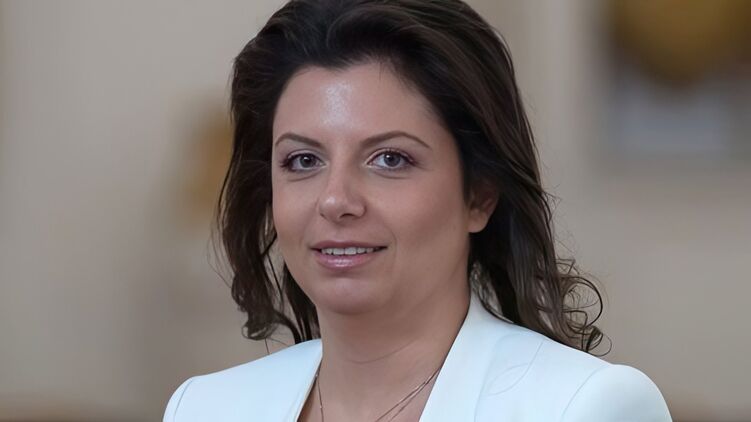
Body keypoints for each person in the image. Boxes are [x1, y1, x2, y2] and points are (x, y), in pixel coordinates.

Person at [164, 0, 672, 421]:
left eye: (390, 159)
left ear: (479, 195)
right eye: (303, 160)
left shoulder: (583, 407)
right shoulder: (205, 408)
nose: (336, 200)